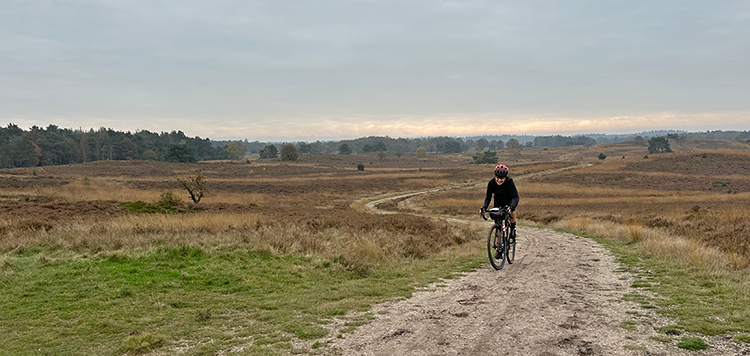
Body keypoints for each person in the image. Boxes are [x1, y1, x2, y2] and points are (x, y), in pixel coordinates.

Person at [481, 164, 519, 243]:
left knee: (512, 211)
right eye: (497, 178)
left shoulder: (509, 182)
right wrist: (484, 207)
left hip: (508, 201)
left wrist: (511, 206)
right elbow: (488, 198)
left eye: (502, 178)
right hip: (498, 202)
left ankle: (512, 228)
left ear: (505, 177)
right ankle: (498, 248)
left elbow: (515, 197)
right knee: (498, 226)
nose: (499, 180)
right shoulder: (491, 183)